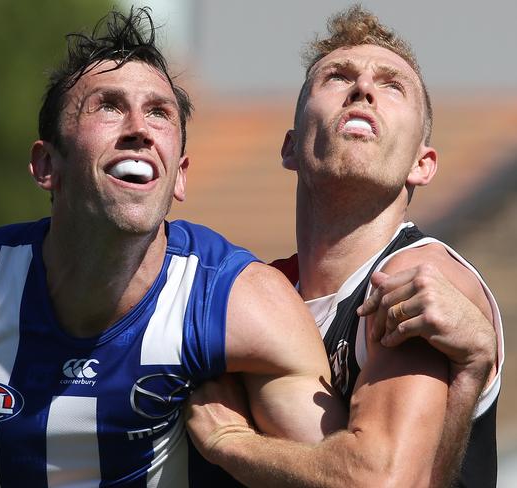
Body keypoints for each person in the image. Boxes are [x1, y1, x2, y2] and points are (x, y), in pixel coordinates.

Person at [0, 8, 348, 487]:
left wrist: (235, 445)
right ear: (46, 165)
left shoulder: (242, 307)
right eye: (108, 106)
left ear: (180, 174)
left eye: (159, 112)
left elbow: (339, 477)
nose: (139, 128)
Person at [186, 5, 502, 487]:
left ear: (424, 164)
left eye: (392, 85)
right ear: (290, 147)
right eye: (337, 77)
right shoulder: (256, 291)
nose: (363, 89)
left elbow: (383, 481)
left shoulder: (417, 276)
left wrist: (235, 444)